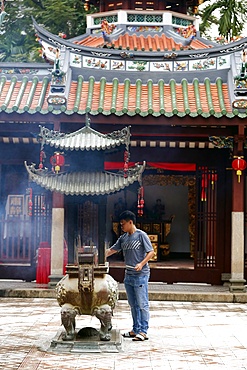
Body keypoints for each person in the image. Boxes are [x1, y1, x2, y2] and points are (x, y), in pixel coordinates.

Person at [106, 210, 154, 341]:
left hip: (141, 275)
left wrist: (141, 263)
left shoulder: (141, 235)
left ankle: (143, 331)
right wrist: (97, 256)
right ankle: (135, 329)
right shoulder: (123, 238)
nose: (121, 227)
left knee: (142, 303)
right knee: (133, 304)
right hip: (128, 275)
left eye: (123, 224)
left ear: (130, 222)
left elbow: (151, 252)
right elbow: (112, 250)